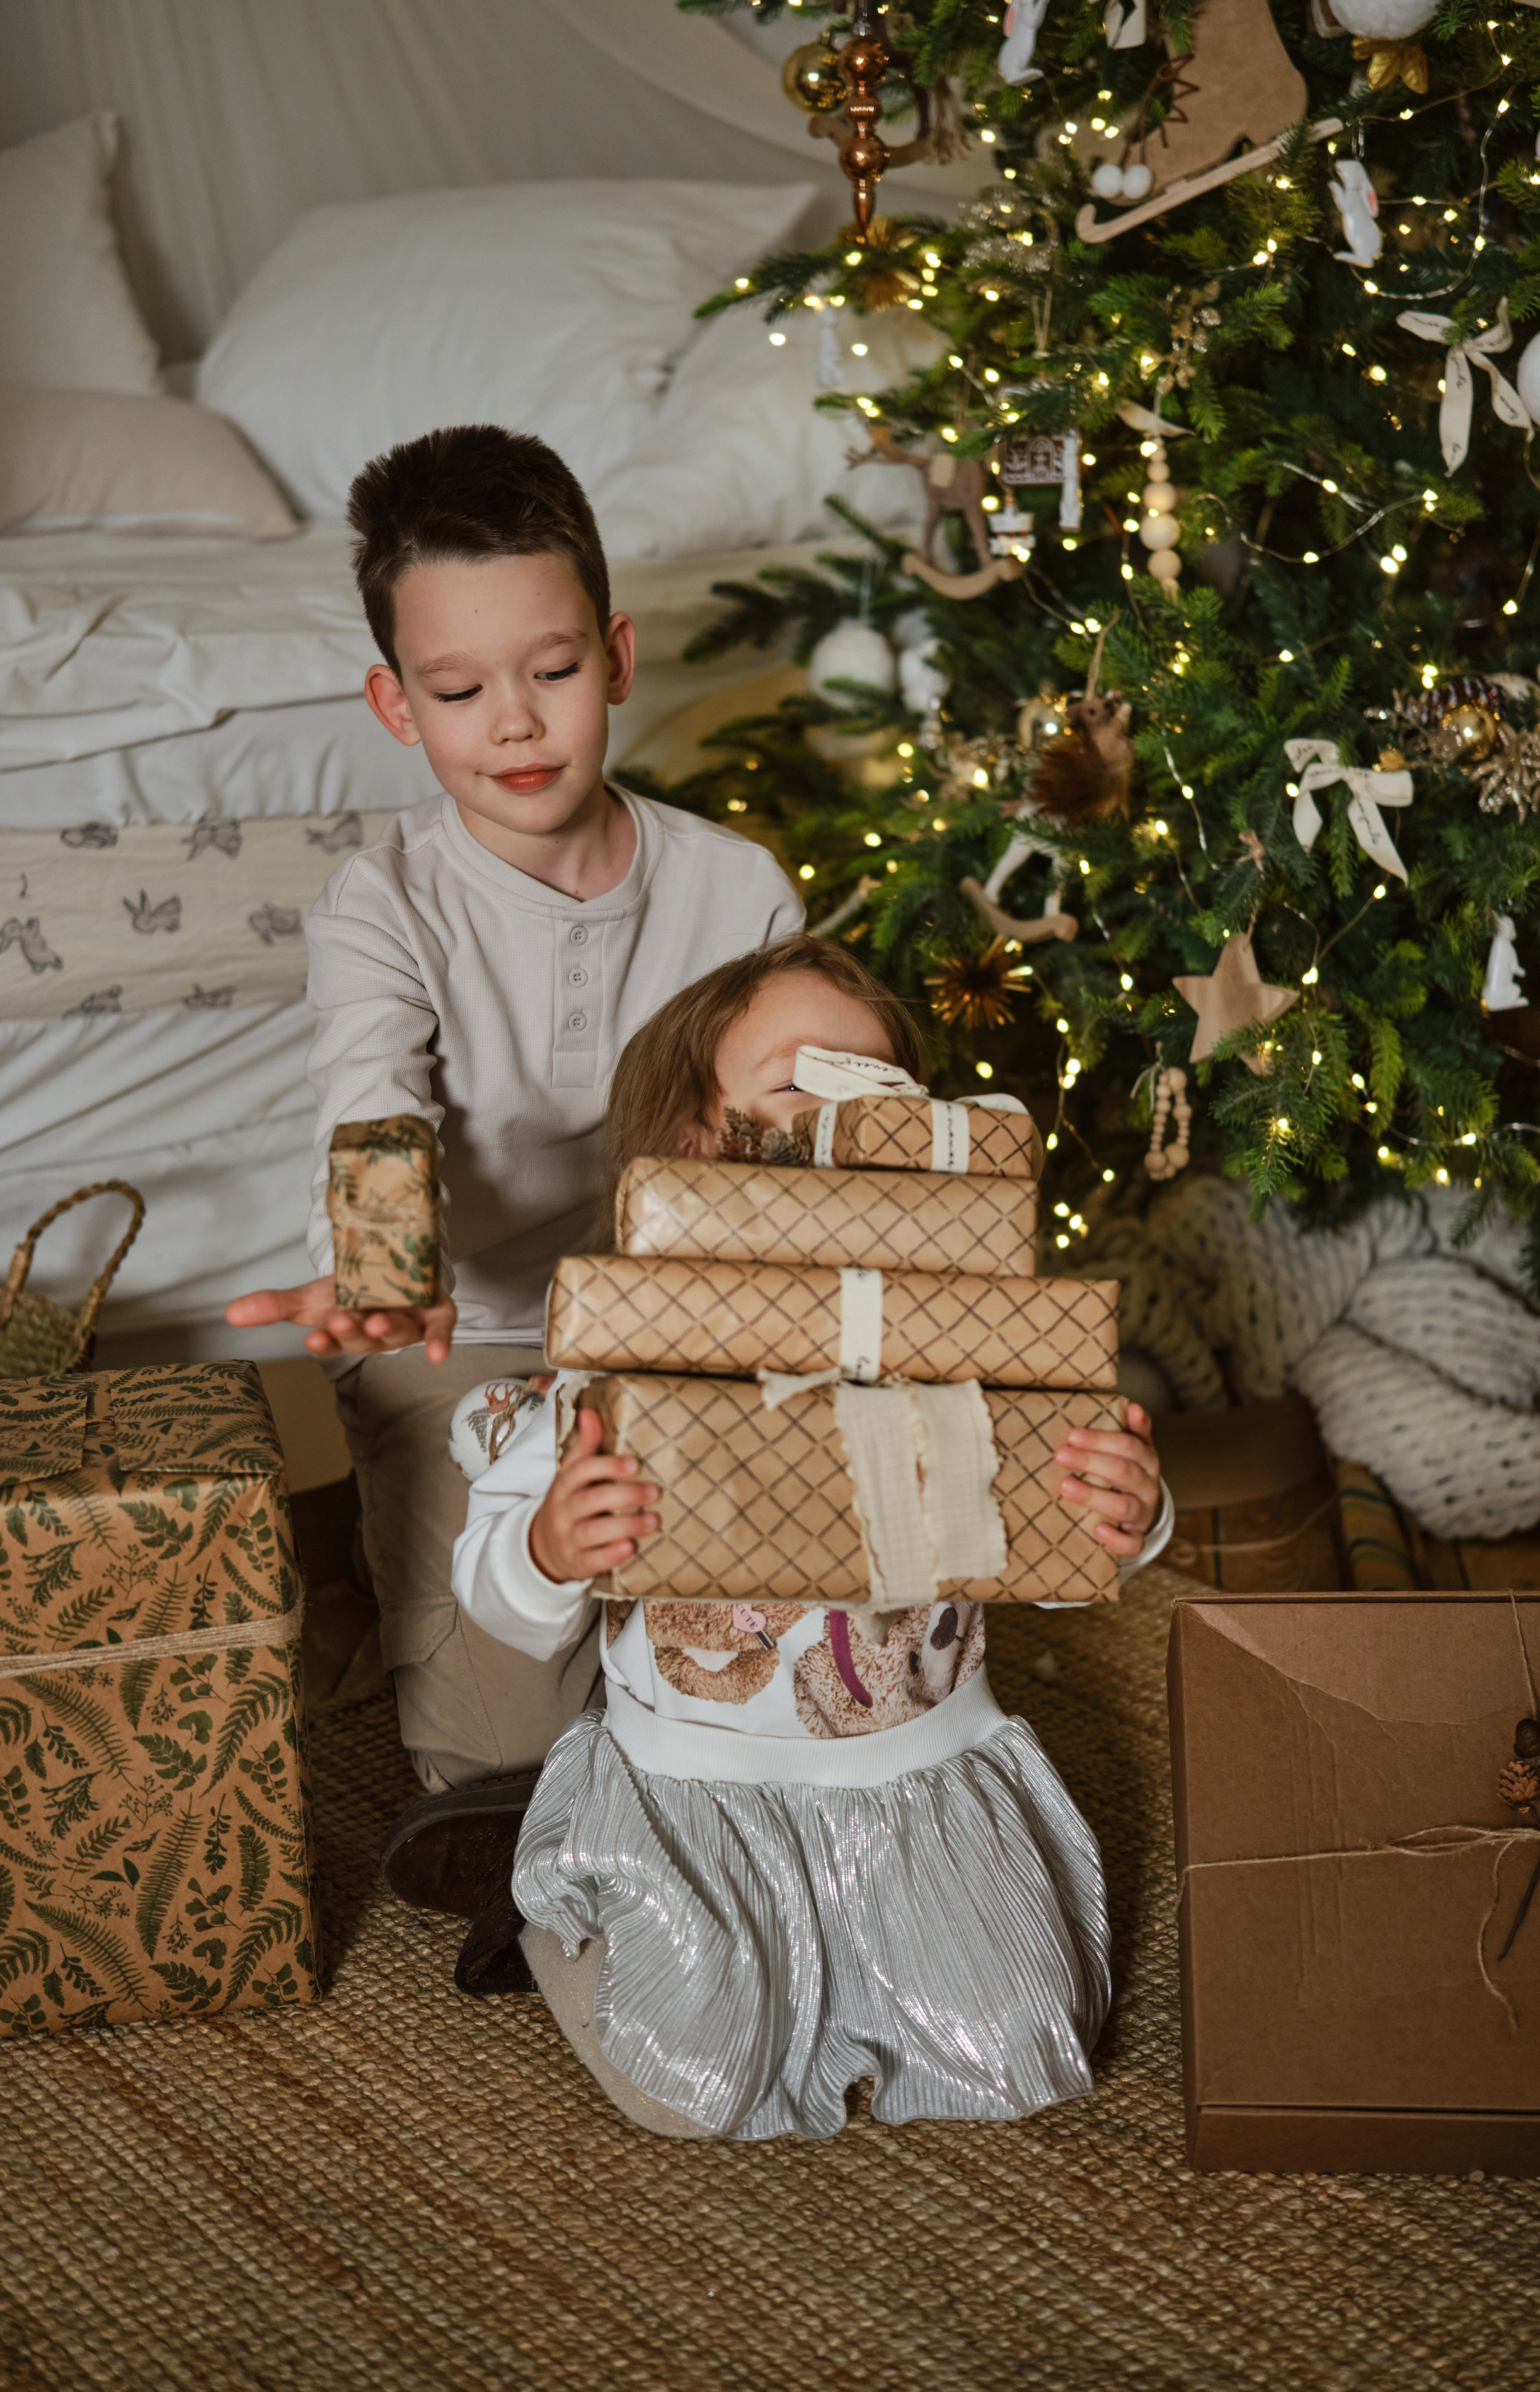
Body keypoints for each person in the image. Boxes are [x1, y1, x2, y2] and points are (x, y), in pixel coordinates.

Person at [224, 425, 802, 1939]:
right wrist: (382, 1270)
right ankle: (388, 1548)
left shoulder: (736, 889)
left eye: (549, 671)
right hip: (460, 1330)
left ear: (614, 656)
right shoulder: (384, 904)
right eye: (459, 691)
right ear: (394, 706)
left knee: (762, 1640)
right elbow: (373, 1107)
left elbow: (780, 1155)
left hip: (676, 1327)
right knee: (486, 1746)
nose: (515, 725)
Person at [454, 935, 1173, 2139]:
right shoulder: (619, 1362)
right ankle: (558, 1909)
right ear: (691, 1141)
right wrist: (547, 1551)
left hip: (920, 1781)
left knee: (1023, 2057)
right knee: (690, 2093)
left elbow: (1046, 1547)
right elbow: (493, 1588)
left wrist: (1129, 1518)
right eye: (803, 1082)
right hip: (705, 1802)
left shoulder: (972, 1344)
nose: (855, 1117)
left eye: (884, 1089)